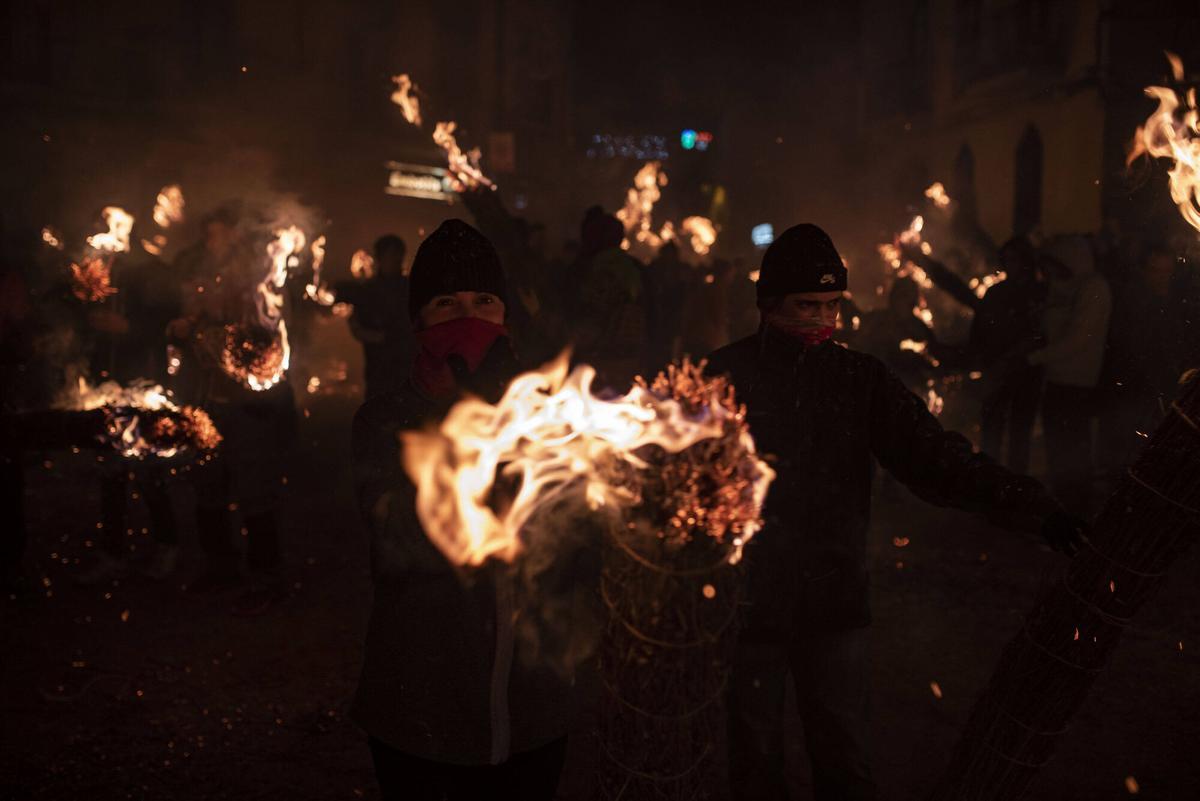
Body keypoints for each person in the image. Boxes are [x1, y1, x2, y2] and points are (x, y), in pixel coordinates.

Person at [704, 224, 1086, 801]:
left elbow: (938, 461)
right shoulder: (722, 379)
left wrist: (1034, 508)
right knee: (756, 768)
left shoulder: (860, 380)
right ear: (769, 304)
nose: (820, 320)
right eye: (806, 305)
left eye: (832, 305)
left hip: (835, 605)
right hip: (748, 607)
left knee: (847, 765)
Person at [351, 219, 570, 801]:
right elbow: (403, 542)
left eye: (483, 301)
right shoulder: (384, 421)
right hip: (421, 707)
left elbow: (572, 544)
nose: (467, 318)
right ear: (419, 319)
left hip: (533, 710)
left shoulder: (543, 417)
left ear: (505, 314)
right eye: (446, 303)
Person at [170, 207, 297, 614]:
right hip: (207, 402)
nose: (214, 247)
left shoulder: (263, 291)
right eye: (209, 239)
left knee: (255, 491)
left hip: (250, 408)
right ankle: (220, 566)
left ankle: (267, 577)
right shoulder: (201, 290)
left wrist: (210, 335)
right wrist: (182, 331)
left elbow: (263, 348)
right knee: (208, 486)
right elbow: (187, 338)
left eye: (220, 239)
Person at [1027, 235, 1112, 517]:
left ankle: (1077, 513)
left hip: (1077, 384)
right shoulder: (1063, 288)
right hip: (1056, 381)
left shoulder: (1094, 289)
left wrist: (1035, 358)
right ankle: (1063, 510)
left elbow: (1078, 340)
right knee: (1058, 450)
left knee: (1073, 451)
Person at [968, 236, 1048, 474]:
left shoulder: (1039, 293)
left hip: (1026, 373)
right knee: (992, 431)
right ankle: (989, 483)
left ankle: (1015, 487)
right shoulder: (995, 293)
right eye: (1007, 259)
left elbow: (1042, 334)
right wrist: (984, 362)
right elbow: (979, 331)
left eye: (1015, 259)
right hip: (997, 371)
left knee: (1020, 434)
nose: (1010, 264)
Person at [341, 234, 415, 399]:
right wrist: (380, 337)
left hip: (407, 365)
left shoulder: (411, 288)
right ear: (379, 258)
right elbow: (356, 326)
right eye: (389, 255)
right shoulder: (368, 291)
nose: (394, 260)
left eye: (397, 255)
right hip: (379, 367)